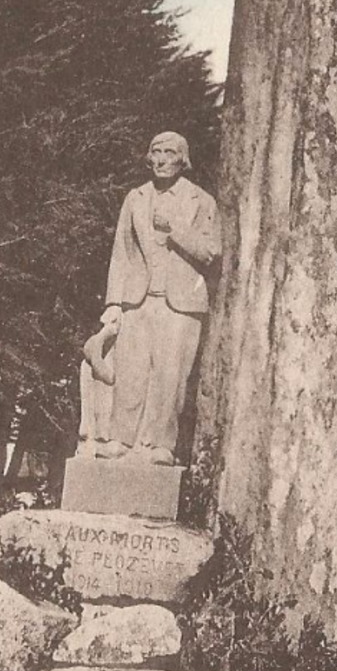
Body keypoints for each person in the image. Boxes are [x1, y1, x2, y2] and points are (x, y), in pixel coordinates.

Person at [78, 132, 220, 465]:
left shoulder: (202, 201)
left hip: (181, 305)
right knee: (130, 372)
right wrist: (113, 303)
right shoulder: (136, 198)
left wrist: (174, 229)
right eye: (155, 152)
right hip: (137, 300)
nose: (160, 159)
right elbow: (121, 254)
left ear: (182, 159)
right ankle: (120, 440)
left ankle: (162, 446)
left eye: (169, 152)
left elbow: (211, 252)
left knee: (170, 378)